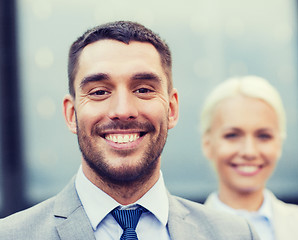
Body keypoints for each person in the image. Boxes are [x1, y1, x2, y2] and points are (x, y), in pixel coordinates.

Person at [0, 21, 260, 240]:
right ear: (71, 114)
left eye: (143, 90)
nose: (123, 110)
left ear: (171, 108)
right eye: (100, 92)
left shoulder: (235, 234)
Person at [200, 75, 298, 240]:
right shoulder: (178, 233)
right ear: (207, 144)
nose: (249, 152)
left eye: (263, 136)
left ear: (279, 143)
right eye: (232, 135)